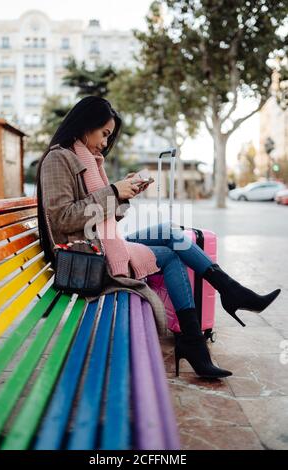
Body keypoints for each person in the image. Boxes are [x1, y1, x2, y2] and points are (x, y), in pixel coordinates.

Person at [36, 96, 281, 380]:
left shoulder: (90, 161)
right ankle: (198, 336)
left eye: (109, 136)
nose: (105, 142)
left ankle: (227, 295)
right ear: (86, 124)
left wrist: (125, 193)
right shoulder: (59, 158)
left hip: (102, 245)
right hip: (86, 257)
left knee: (168, 231)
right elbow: (63, 217)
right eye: (104, 134)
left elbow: (103, 216)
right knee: (171, 255)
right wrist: (114, 192)